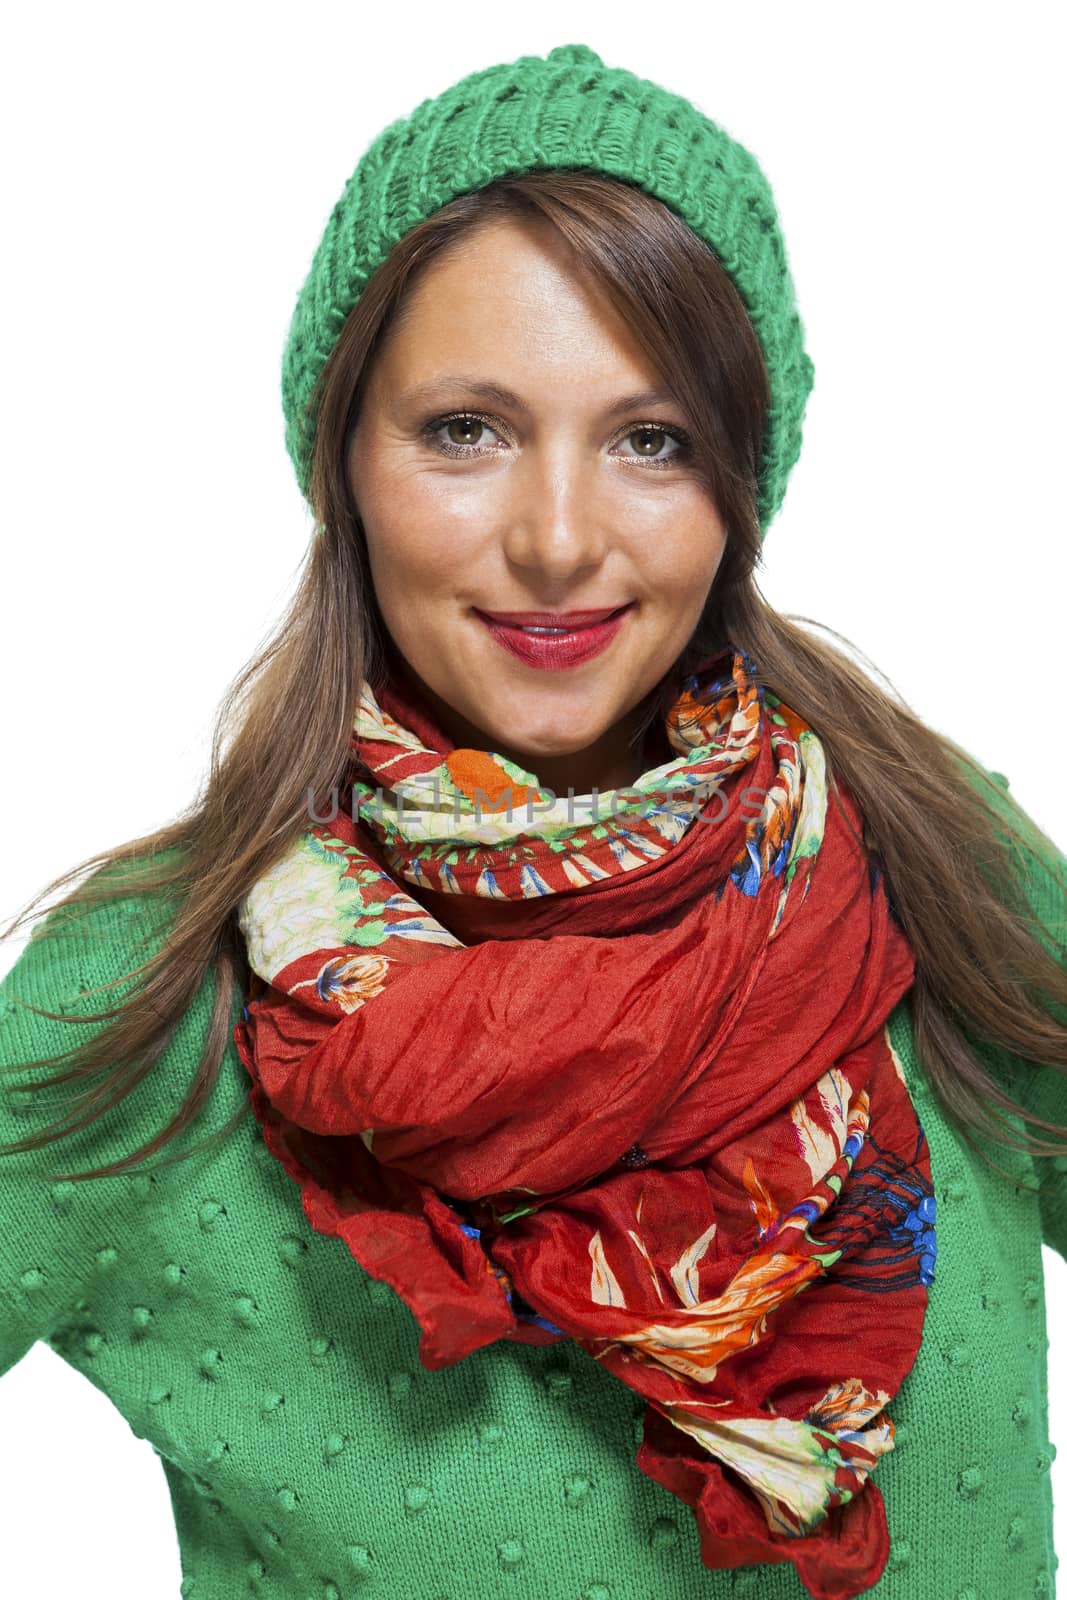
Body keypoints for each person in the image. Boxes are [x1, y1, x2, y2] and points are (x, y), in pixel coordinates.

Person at [1, 40, 1065, 1600]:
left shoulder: (930, 866)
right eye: (465, 431)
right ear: (344, 464)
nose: (559, 539)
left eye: (651, 440)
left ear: (739, 478)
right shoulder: (148, 1007)